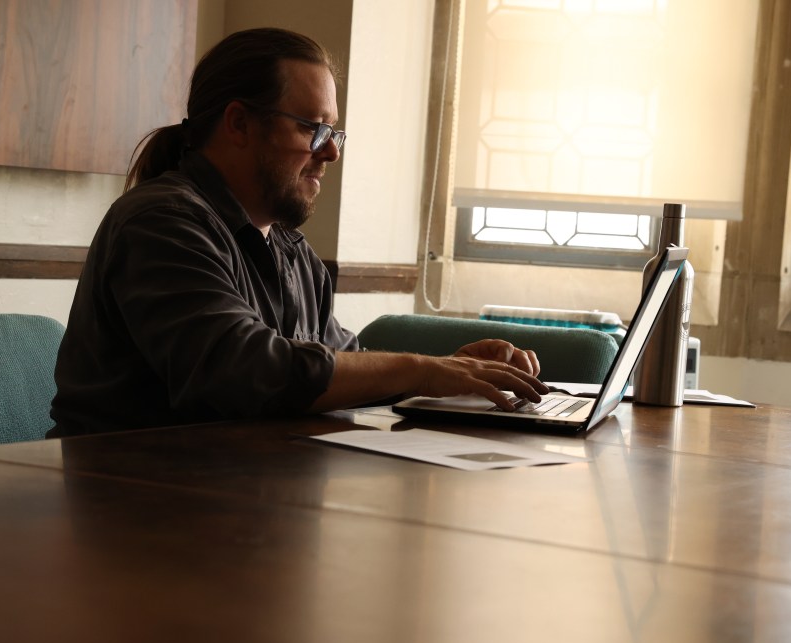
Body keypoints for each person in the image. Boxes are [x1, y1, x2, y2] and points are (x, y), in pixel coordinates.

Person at [48, 27, 547, 437]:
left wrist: (449, 372)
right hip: (125, 506)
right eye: (313, 128)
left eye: (334, 132)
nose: (331, 152)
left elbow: (336, 367)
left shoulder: (290, 248)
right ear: (239, 124)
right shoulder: (160, 223)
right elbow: (241, 371)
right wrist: (420, 370)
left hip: (239, 501)